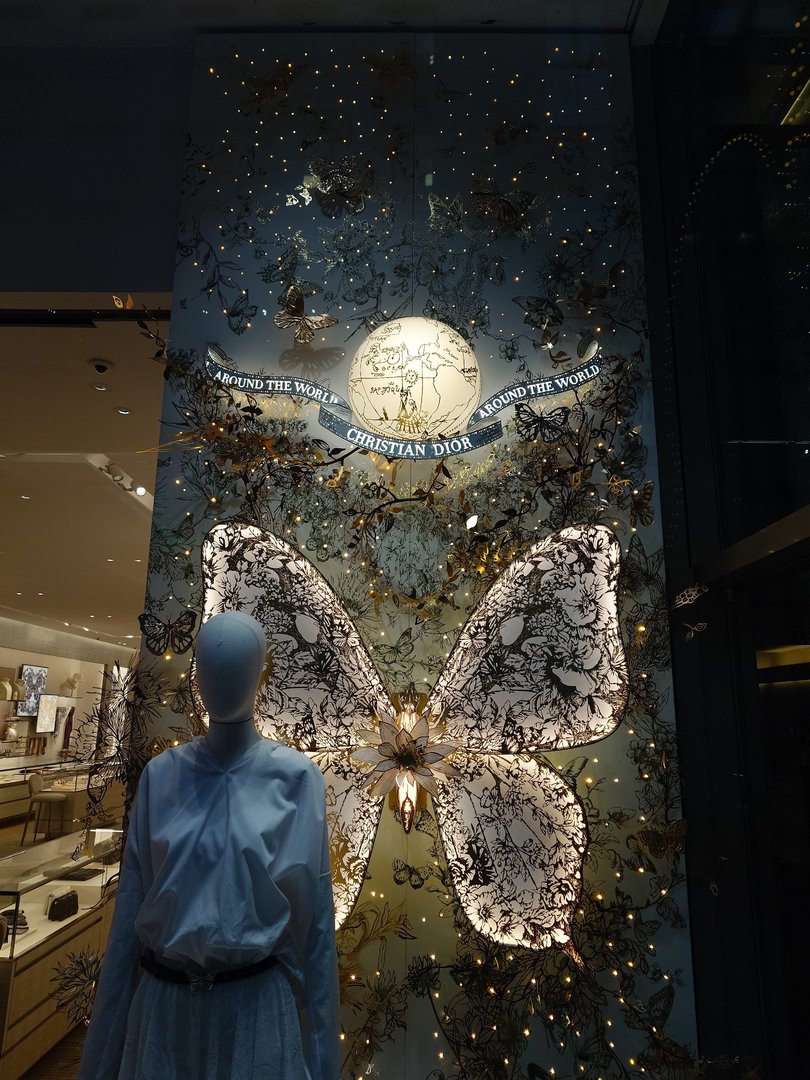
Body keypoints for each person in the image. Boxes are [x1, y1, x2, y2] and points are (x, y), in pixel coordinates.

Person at [78, 611, 339, 1080]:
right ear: (196, 674)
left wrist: (322, 1061)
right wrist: (100, 1061)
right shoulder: (162, 776)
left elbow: (316, 926)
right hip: (164, 1013)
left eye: (236, 662)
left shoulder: (298, 779)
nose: (221, 675)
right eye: (210, 662)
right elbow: (128, 917)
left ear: (261, 673)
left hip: (257, 1015)